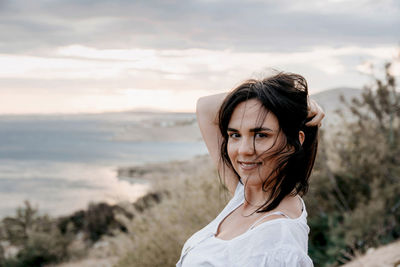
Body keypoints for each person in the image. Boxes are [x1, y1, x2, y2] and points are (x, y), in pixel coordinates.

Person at [176, 72, 324, 267]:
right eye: (235, 135)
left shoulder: (277, 243)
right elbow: (205, 107)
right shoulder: (246, 193)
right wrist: (290, 101)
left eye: (261, 135)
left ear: (295, 141)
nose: (244, 150)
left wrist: (285, 103)